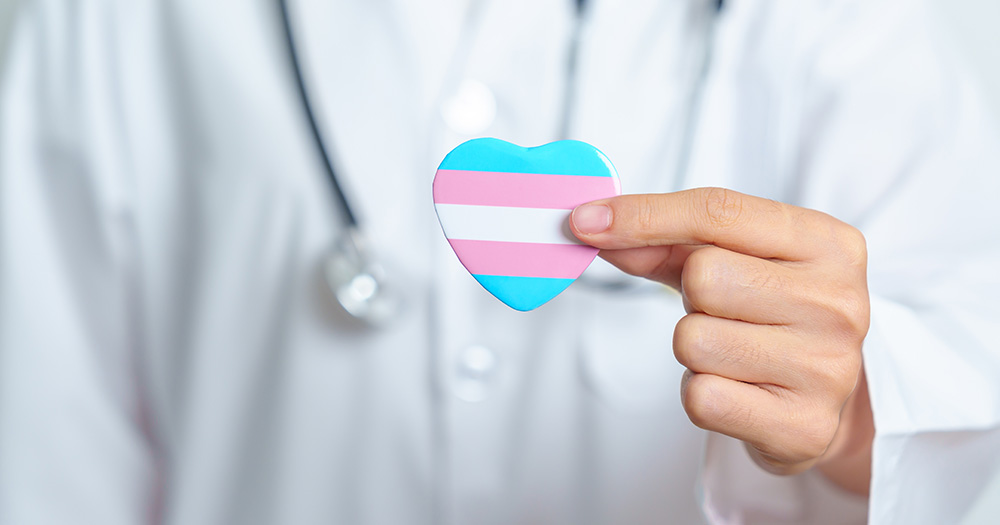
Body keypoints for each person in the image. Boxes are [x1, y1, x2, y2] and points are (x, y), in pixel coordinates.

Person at [1, 0, 998, 523]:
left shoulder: (838, 21)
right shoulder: (118, 18)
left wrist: (858, 407)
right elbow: (43, 452)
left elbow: (964, 364)